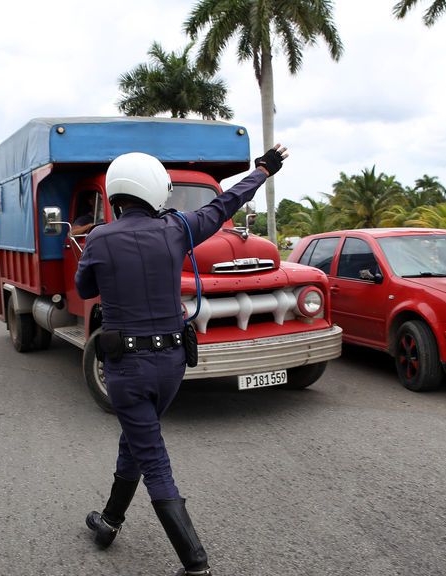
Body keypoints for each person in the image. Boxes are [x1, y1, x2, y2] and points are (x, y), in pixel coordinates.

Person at [75, 145, 288, 575]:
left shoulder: (98, 238)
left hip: (127, 370)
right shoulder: (178, 229)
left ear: (116, 196)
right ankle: (109, 523)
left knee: (151, 456)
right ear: (157, 191)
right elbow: (226, 202)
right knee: (137, 440)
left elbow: (83, 290)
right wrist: (262, 170)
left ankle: (196, 564)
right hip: (173, 364)